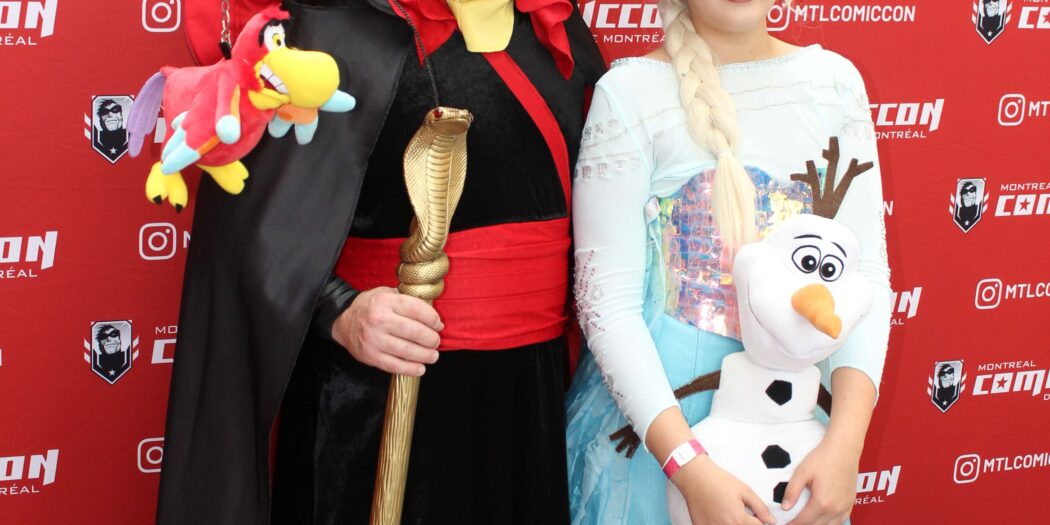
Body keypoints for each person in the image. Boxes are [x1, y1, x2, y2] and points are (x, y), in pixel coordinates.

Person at [154, 0, 603, 523]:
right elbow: (249, 226)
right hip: (373, 399)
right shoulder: (328, 23)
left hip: (528, 400)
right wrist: (339, 310)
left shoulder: (555, 23)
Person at [564, 0, 891, 523]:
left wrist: (844, 447)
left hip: (795, 439)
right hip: (659, 438)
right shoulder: (629, 95)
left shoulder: (833, 84)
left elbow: (864, 278)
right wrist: (689, 469)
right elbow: (606, 307)